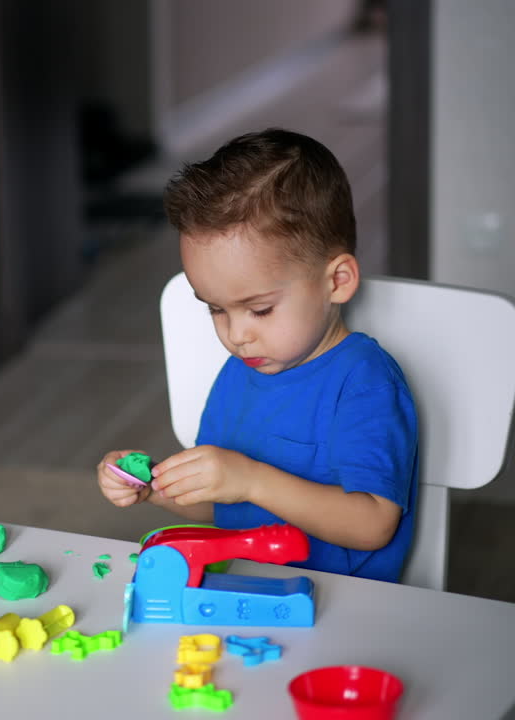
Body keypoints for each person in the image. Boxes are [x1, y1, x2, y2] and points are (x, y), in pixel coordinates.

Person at [96, 128, 418, 583]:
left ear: (338, 280)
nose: (236, 335)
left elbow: (373, 525)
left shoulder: (363, 382)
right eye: (215, 309)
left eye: (259, 309)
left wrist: (249, 478)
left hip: (342, 600)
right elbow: (226, 507)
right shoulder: (239, 374)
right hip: (244, 583)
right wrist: (154, 487)